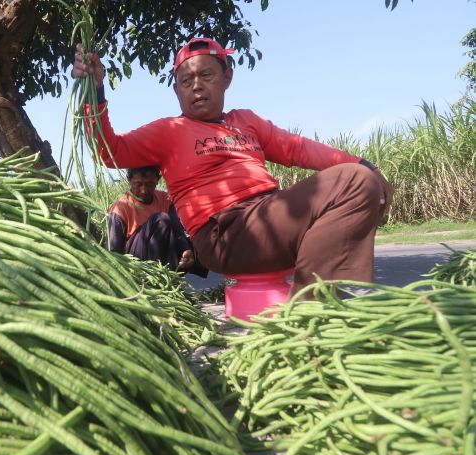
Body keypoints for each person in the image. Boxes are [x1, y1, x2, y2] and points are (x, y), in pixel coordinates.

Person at [72, 37, 394, 295]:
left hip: (270, 214)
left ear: (227, 78)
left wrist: (364, 163)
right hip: (223, 232)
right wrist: (94, 91)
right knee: (356, 182)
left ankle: (320, 292)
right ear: (176, 90)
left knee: (364, 184)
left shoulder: (246, 122)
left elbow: (297, 148)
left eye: (206, 76)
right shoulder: (169, 131)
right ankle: (311, 305)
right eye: (186, 81)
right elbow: (109, 150)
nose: (196, 86)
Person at [107, 165, 207, 277]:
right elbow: (114, 251)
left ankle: (171, 277)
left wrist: (186, 249)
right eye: (138, 184)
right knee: (161, 220)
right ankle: (161, 276)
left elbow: (178, 230)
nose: (144, 190)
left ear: (158, 180)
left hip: (163, 252)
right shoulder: (119, 208)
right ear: (129, 180)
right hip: (136, 260)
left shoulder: (165, 199)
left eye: (149, 184)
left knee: (201, 236)